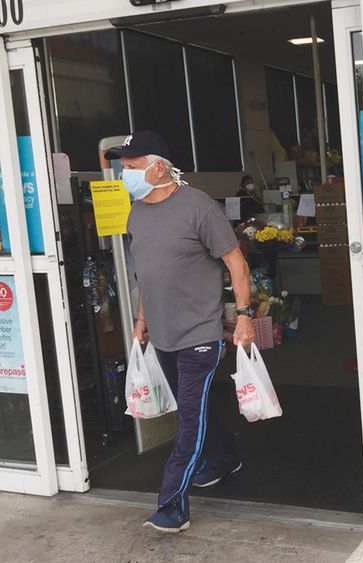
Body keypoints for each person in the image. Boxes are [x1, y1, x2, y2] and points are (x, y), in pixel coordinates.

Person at [106, 131, 256, 533]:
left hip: (199, 335)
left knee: (188, 420)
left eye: (132, 167)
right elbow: (146, 274)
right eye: (123, 167)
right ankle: (224, 459)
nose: (126, 174)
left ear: (158, 166)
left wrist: (244, 315)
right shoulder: (136, 212)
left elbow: (236, 264)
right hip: (163, 335)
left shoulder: (198, 207)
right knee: (198, 408)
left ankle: (172, 505)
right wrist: (142, 320)